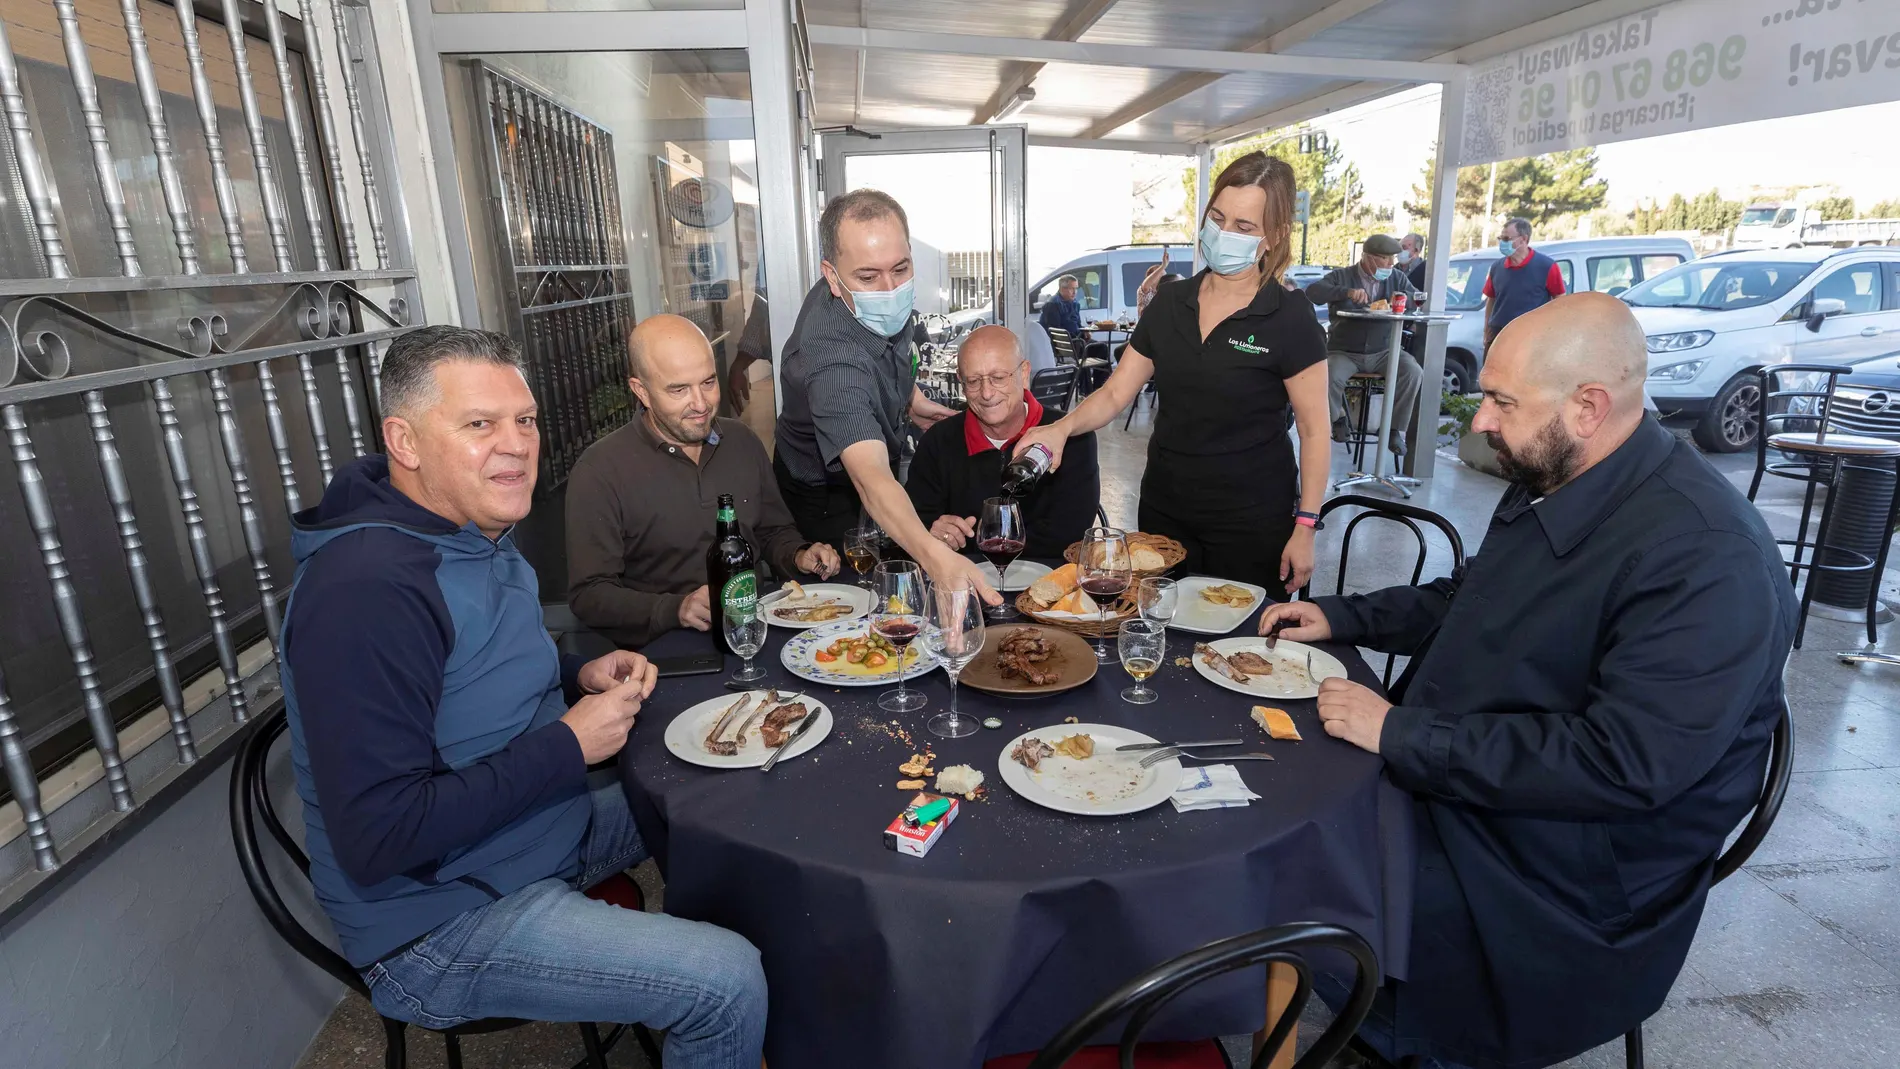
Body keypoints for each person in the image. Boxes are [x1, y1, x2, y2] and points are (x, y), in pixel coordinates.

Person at [1257, 293, 1796, 1069]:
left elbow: (1619, 763)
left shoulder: (1709, 561)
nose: (1480, 419)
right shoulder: (1564, 467)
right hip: (1492, 798)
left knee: (1305, 854)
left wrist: (1401, 731)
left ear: (1588, 407)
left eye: (1501, 400)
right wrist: (1345, 619)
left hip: (1560, 883)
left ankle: (1387, 1033)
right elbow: (1470, 596)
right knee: (1290, 785)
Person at [280, 326, 768, 1068]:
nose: (516, 444)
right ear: (403, 440)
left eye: (526, 419)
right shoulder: (366, 590)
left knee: (724, 779)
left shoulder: (469, 525)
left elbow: (479, 667)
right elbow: (378, 836)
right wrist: (568, 745)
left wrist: (578, 674)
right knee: (726, 979)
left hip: (533, 834)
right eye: (479, 424)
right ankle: (720, 1003)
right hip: (440, 921)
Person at [1013, 152, 1330, 594]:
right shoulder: (1170, 304)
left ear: (1274, 236)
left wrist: (1306, 526)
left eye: (1243, 227)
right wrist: (1060, 429)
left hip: (1251, 520)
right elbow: (1114, 393)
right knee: (1161, 639)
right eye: (1217, 218)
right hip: (1166, 513)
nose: (1223, 234)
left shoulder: (1290, 317)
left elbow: (1316, 432)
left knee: (1236, 653)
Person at [772, 188, 998, 603]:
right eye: (869, 277)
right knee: (855, 601)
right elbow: (871, 478)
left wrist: (909, 400)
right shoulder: (830, 359)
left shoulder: (866, 295)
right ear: (832, 276)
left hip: (873, 465)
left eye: (901, 267)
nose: (889, 288)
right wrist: (936, 559)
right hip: (827, 490)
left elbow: (889, 351)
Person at [567, 314, 840, 648]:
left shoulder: (742, 441)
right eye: (678, 389)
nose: (700, 404)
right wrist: (676, 609)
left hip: (756, 636)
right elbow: (589, 595)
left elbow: (772, 532)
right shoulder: (600, 470)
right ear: (641, 391)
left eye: (708, 382)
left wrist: (798, 554)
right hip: (665, 655)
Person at [907, 325, 1100, 558]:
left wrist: (975, 546)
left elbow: (1070, 536)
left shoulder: (1072, 438)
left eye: (998, 378)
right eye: (974, 381)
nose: (987, 393)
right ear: (961, 381)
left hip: (1049, 583)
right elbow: (913, 522)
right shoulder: (937, 441)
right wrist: (933, 533)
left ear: (1024, 373)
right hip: (962, 582)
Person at [1306, 234, 1426, 454]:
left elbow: (1416, 297)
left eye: (1393, 258)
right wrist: (1346, 292)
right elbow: (1313, 292)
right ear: (1368, 258)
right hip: (1345, 351)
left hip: (1384, 350)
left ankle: (1392, 429)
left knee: (1413, 372)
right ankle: (1339, 418)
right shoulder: (1342, 276)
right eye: (1385, 259)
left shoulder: (1396, 278)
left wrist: (1402, 300)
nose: (1391, 264)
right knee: (1328, 374)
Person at [1483, 216, 1565, 347]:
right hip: (1499, 334)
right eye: (1500, 239)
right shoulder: (1497, 267)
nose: (1502, 243)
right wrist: (1487, 328)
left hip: (1531, 337)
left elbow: (1559, 299)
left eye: (1506, 239)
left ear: (1523, 239)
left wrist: (1552, 331)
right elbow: (1491, 300)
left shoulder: (1546, 266)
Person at [1039, 273, 1085, 340]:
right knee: (1100, 347)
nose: (1075, 292)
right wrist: (1077, 337)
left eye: (1076, 288)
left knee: (1101, 346)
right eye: (1071, 289)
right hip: (1064, 345)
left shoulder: (1075, 304)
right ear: (1062, 289)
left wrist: (1085, 332)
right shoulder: (1052, 305)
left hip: (1077, 340)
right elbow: (1055, 332)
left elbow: (1078, 325)